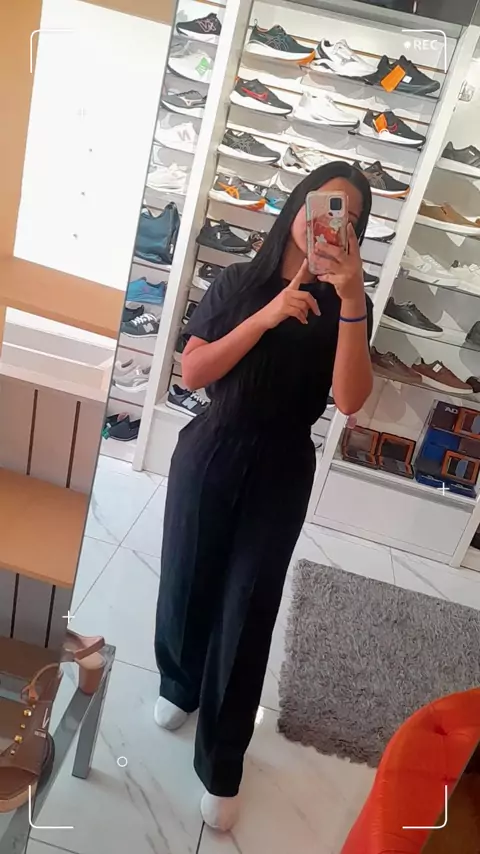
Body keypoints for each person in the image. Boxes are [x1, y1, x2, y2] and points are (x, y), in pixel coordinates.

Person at [154, 161, 374, 830]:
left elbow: (350, 400)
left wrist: (353, 296)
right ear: (297, 205)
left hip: (281, 468)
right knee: (186, 577)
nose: (330, 224)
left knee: (248, 610)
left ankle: (222, 762)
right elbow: (193, 371)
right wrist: (270, 315)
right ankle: (179, 681)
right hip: (211, 448)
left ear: (355, 235)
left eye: (348, 218)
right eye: (324, 205)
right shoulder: (238, 282)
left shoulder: (346, 307)